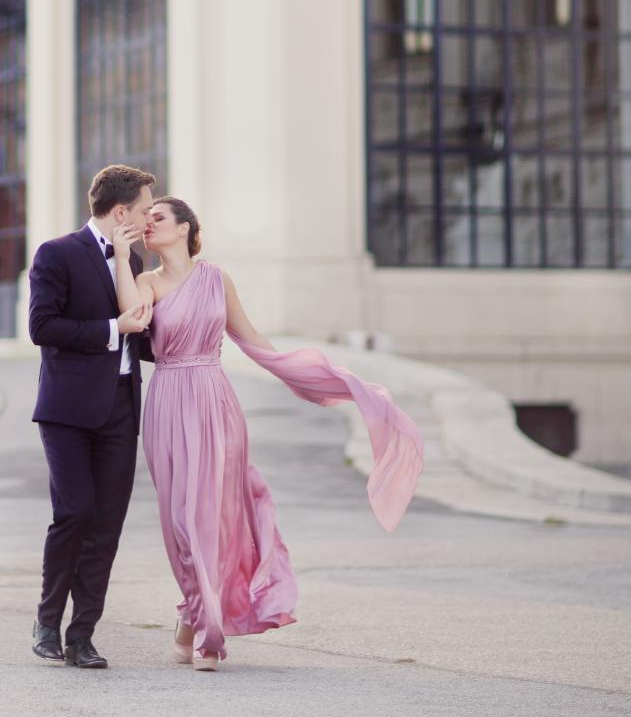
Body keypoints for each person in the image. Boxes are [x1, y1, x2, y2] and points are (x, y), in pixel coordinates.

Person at [114, 196, 424, 671]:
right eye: (145, 220)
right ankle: (192, 613)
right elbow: (131, 318)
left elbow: (251, 338)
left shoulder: (218, 279)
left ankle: (208, 633)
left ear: (185, 228)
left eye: (157, 219)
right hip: (168, 402)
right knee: (180, 520)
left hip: (216, 401)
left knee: (214, 516)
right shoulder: (146, 281)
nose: (147, 226)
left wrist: (299, 373)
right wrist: (119, 253)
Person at [27, 163, 155, 670]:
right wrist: (112, 328)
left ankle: (82, 635)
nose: (150, 218)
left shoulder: (137, 262)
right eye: (146, 210)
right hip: (68, 411)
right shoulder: (56, 254)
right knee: (74, 511)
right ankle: (47, 619)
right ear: (120, 211)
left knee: (107, 523)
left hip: (122, 408)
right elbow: (42, 326)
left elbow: (145, 334)